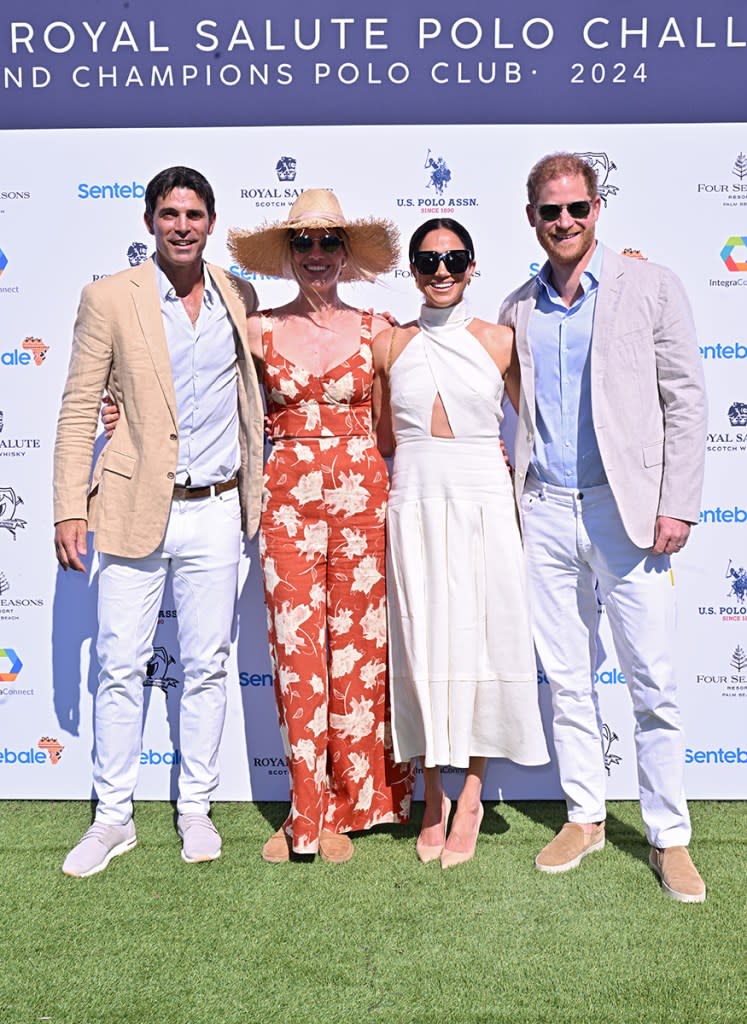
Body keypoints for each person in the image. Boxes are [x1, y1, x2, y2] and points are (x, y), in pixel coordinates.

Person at [499, 152, 708, 901]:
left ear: (596, 211)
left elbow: (684, 397)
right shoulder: (517, 307)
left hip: (628, 514)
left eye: (575, 209)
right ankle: (584, 815)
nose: (563, 222)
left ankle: (668, 836)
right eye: (550, 211)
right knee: (566, 678)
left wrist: (677, 500)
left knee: (651, 679)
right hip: (546, 510)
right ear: (532, 218)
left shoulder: (648, 286)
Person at [53, 166, 264, 877]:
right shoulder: (109, 298)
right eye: (169, 213)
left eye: (194, 214)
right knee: (118, 665)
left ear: (210, 222)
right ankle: (113, 818)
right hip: (132, 506)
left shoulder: (240, 296)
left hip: (218, 508)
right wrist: (65, 506)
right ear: (148, 222)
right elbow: (81, 405)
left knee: (206, 666)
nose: (181, 225)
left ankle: (195, 809)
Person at [227, 190, 414, 863]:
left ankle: (351, 804)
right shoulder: (257, 331)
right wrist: (117, 414)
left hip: (365, 500)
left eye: (328, 242)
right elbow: (204, 395)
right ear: (286, 253)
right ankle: (304, 812)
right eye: (302, 243)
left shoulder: (379, 328)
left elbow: (394, 427)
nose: (315, 255)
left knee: (357, 658)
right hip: (285, 505)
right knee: (296, 656)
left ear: (345, 253)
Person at [372, 219, 549, 868]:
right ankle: (432, 795)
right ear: (412, 270)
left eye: (453, 258)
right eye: (427, 259)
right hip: (414, 498)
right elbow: (381, 436)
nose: (440, 270)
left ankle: (471, 794)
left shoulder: (500, 341)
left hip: (483, 499)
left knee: (478, 640)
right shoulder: (389, 346)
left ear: (472, 266)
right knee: (422, 645)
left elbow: (534, 427)